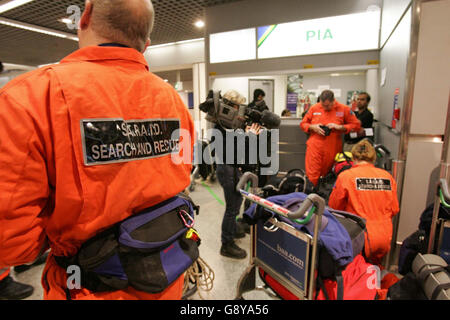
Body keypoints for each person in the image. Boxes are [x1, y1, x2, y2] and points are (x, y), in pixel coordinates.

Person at [0, 0, 194, 300]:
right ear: (146, 44)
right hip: (165, 276)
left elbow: (12, 244)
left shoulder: (30, 96)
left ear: (85, 15)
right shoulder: (171, 99)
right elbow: (179, 176)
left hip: (89, 287)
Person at [328, 140, 400, 265]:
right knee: (375, 272)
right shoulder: (387, 177)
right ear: (373, 158)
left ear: (354, 157)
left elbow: (335, 207)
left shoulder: (346, 176)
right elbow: (394, 209)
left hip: (358, 237)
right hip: (383, 236)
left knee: (355, 274)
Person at [213, 90, 261, 259]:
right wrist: (249, 137)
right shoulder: (221, 124)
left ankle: (232, 232)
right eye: (237, 106)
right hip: (227, 168)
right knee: (232, 209)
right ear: (231, 106)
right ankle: (226, 244)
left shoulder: (227, 124)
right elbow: (231, 149)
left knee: (237, 202)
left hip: (232, 168)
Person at [300, 90, 361, 187]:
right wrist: (313, 127)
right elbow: (303, 124)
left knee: (331, 175)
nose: (325, 108)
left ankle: (328, 197)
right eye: (323, 105)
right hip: (315, 147)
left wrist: (339, 127)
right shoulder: (314, 108)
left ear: (333, 101)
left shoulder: (343, 109)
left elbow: (356, 125)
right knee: (312, 175)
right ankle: (311, 196)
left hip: (333, 147)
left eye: (327, 106)